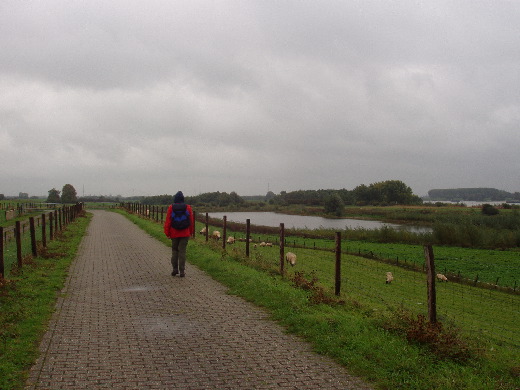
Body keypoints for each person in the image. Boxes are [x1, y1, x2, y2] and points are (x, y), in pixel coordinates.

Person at [163, 191, 194, 277]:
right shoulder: (188, 207)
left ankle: (174, 269)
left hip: (174, 232)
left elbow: (168, 221)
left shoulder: (171, 207)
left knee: (174, 251)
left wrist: (167, 233)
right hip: (185, 233)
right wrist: (190, 232)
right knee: (182, 251)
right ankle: (182, 271)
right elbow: (191, 221)